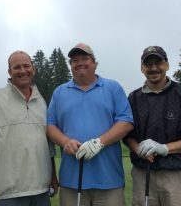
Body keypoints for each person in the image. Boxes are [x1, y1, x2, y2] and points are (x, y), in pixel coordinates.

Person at [0, 51, 58, 206]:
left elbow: (47, 145)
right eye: (17, 67)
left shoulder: (41, 102)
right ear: (9, 72)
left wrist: (53, 176)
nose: (22, 71)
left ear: (33, 69)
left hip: (40, 190)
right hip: (7, 193)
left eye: (26, 66)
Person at [47, 43, 134, 206]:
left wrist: (99, 142)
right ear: (70, 65)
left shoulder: (112, 88)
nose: (80, 63)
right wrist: (65, 142)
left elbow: (126, 122)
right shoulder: (59, 92)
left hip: (109, 179)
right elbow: (50, 125)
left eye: (85, 58)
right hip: (72, 180)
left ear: (94, 63)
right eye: (75, 60)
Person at [123, 46, 181, 206]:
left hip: (177, 176)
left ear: (167, 65)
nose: (154, 68)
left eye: (159, 62)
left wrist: (164, 148)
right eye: (148, 64)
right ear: (142, 68)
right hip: (143, 175)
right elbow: (128, 134)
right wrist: (137, 149)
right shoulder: (134, 98)